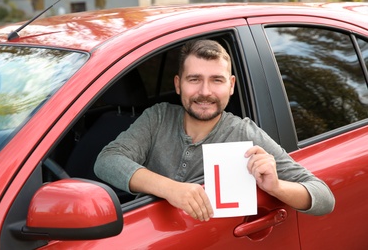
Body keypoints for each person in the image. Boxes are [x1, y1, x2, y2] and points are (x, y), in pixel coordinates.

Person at [94, 39, 335, 221]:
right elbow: (107, 161)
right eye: (194, 79)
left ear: (231, 86)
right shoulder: (158, 116)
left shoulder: (245, 134)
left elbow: (324, 198)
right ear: (178, 84)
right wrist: (171, 189)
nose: (205, 92)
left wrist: (276, 186)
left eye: (217, 80)